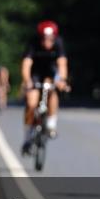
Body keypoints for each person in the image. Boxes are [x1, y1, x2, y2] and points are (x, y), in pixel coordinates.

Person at [20, 20, 69, 155]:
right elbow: (26, 65)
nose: (48, 42)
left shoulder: (58, 43)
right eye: (44, 39)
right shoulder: (33, 43)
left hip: (51, 73)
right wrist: (27, 81)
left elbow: (62, 64)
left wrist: (62, 81)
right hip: (35, 73)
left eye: (50, 39)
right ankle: (27, 137)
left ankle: (51, 124)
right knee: (31, 103)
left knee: (52, 91)